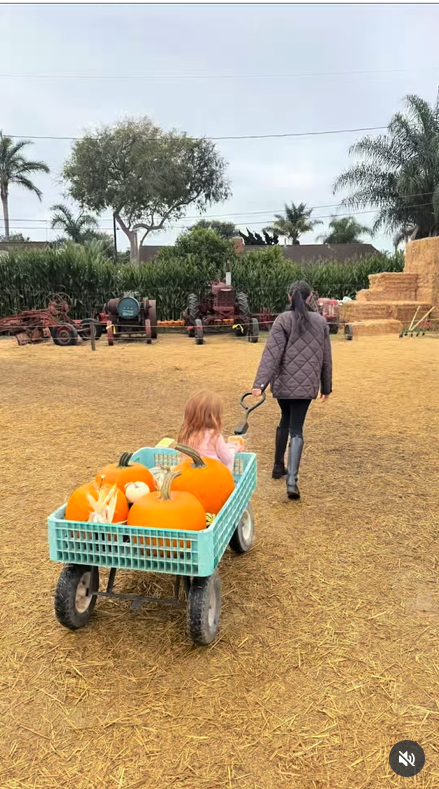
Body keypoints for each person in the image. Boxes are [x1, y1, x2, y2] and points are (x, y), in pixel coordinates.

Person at [252, 280, 332, 500]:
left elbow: (271, 355)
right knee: (296, 429)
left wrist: (260, 384)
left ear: (289, 297)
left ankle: (278, 466)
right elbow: (326, 358)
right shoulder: (320, 322)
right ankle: (291, 482)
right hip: (306, 387)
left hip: (284, 386)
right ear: (308, 298)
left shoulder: (282, 320)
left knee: (284, 420)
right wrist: (326, 387)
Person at [177, 390, 240, 473]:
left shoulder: (187, 434)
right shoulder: (214, 435)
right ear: (214, 416)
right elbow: (227, 459)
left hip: (191, 476)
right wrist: (233, 448)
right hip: (212, 477)